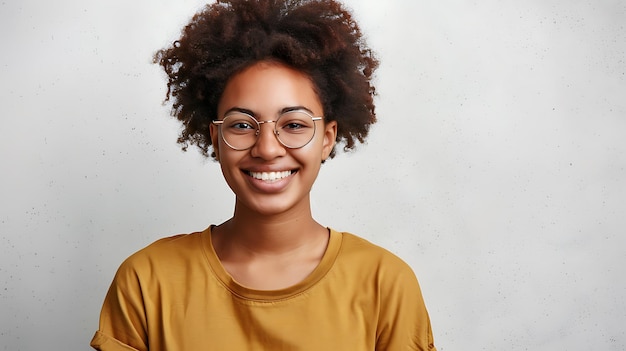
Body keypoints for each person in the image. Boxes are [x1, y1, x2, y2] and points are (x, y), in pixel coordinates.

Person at [90, 0, 436, 350]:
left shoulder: (385, 284)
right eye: (242, 125)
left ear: (327, 139)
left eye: (295, 124)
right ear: (216, 138)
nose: (268, 149)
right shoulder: (148, 281)